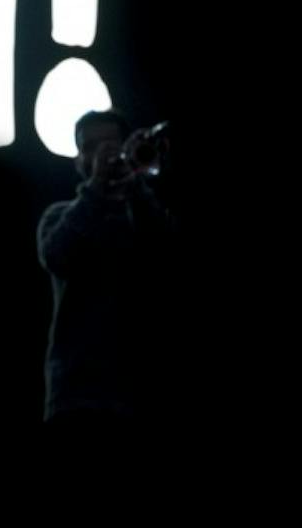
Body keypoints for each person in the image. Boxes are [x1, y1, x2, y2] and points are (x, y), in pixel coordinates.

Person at [37, 109, 181, 456]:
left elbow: (168, 255)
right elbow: (57, 255)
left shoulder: (145, 214)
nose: (103, 154)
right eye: (90, 147)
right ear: (78, 160)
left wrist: (136, 185)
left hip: (146, 396)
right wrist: (98, 190)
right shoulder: (58, 215)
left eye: (111, 144)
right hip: (77, 399)